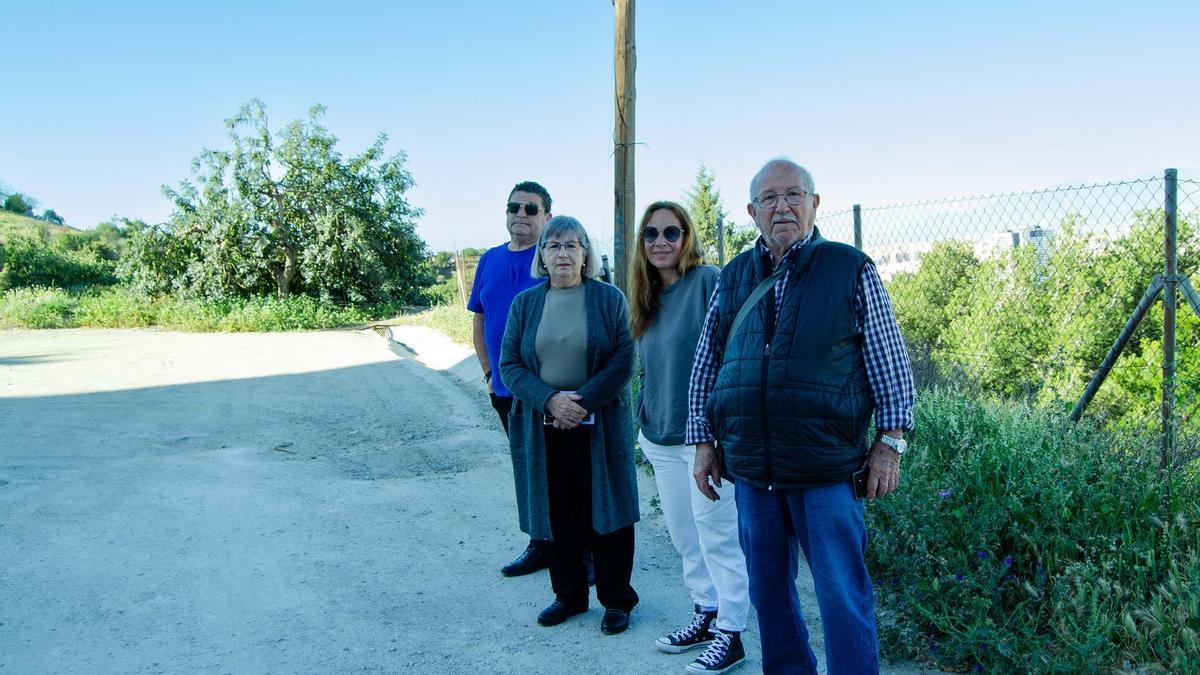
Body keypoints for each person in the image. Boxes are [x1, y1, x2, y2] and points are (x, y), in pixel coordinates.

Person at [687, 159, 915, 674]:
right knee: (769, 593)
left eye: (794, 195)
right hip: (752, 470)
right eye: (769, 198)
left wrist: (891, 441)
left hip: (825, 469)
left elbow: (889, 362)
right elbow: (707, 363)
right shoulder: (734, 277)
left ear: (815, 203)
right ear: (752, 211)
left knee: (842, 594)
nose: (782, 206)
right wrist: (703, 442)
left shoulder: (848, 267)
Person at [499, 216, 641, 634]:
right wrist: (551, 400)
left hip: (599, 426)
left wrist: (582, 402)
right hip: (544, 426)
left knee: (608, 510)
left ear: (585, 255)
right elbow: (510, 364)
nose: (562, 253)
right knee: (557, 512)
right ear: (541, 255)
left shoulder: (608, 299)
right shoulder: (525, 304)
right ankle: (569, 596)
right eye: (553, 245)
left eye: (571, 245)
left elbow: (623, 359)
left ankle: (617, 599)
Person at [629, 202, 749, 674]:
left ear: (687, 238)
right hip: (659, 438)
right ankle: (705, 612)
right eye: (651, 234)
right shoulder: (645, 296)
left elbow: (729, 357)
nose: (661, 242)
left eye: (671, 232)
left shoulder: (707, 282)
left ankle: (732, 633)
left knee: (718, 536)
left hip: (702, 441)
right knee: (684, 536)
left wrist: (715, 436)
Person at [467, 180, 554, 577]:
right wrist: (488, 373)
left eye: (531, 209)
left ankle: (583, 548)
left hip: (547, 391)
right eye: (514, 207)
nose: (521, 214)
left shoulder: (553, 257)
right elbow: (480, 319)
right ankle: (540, 543)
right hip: (503, 389)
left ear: (546, 217)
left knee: (563, 469)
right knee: (526, 467)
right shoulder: (489, 259)